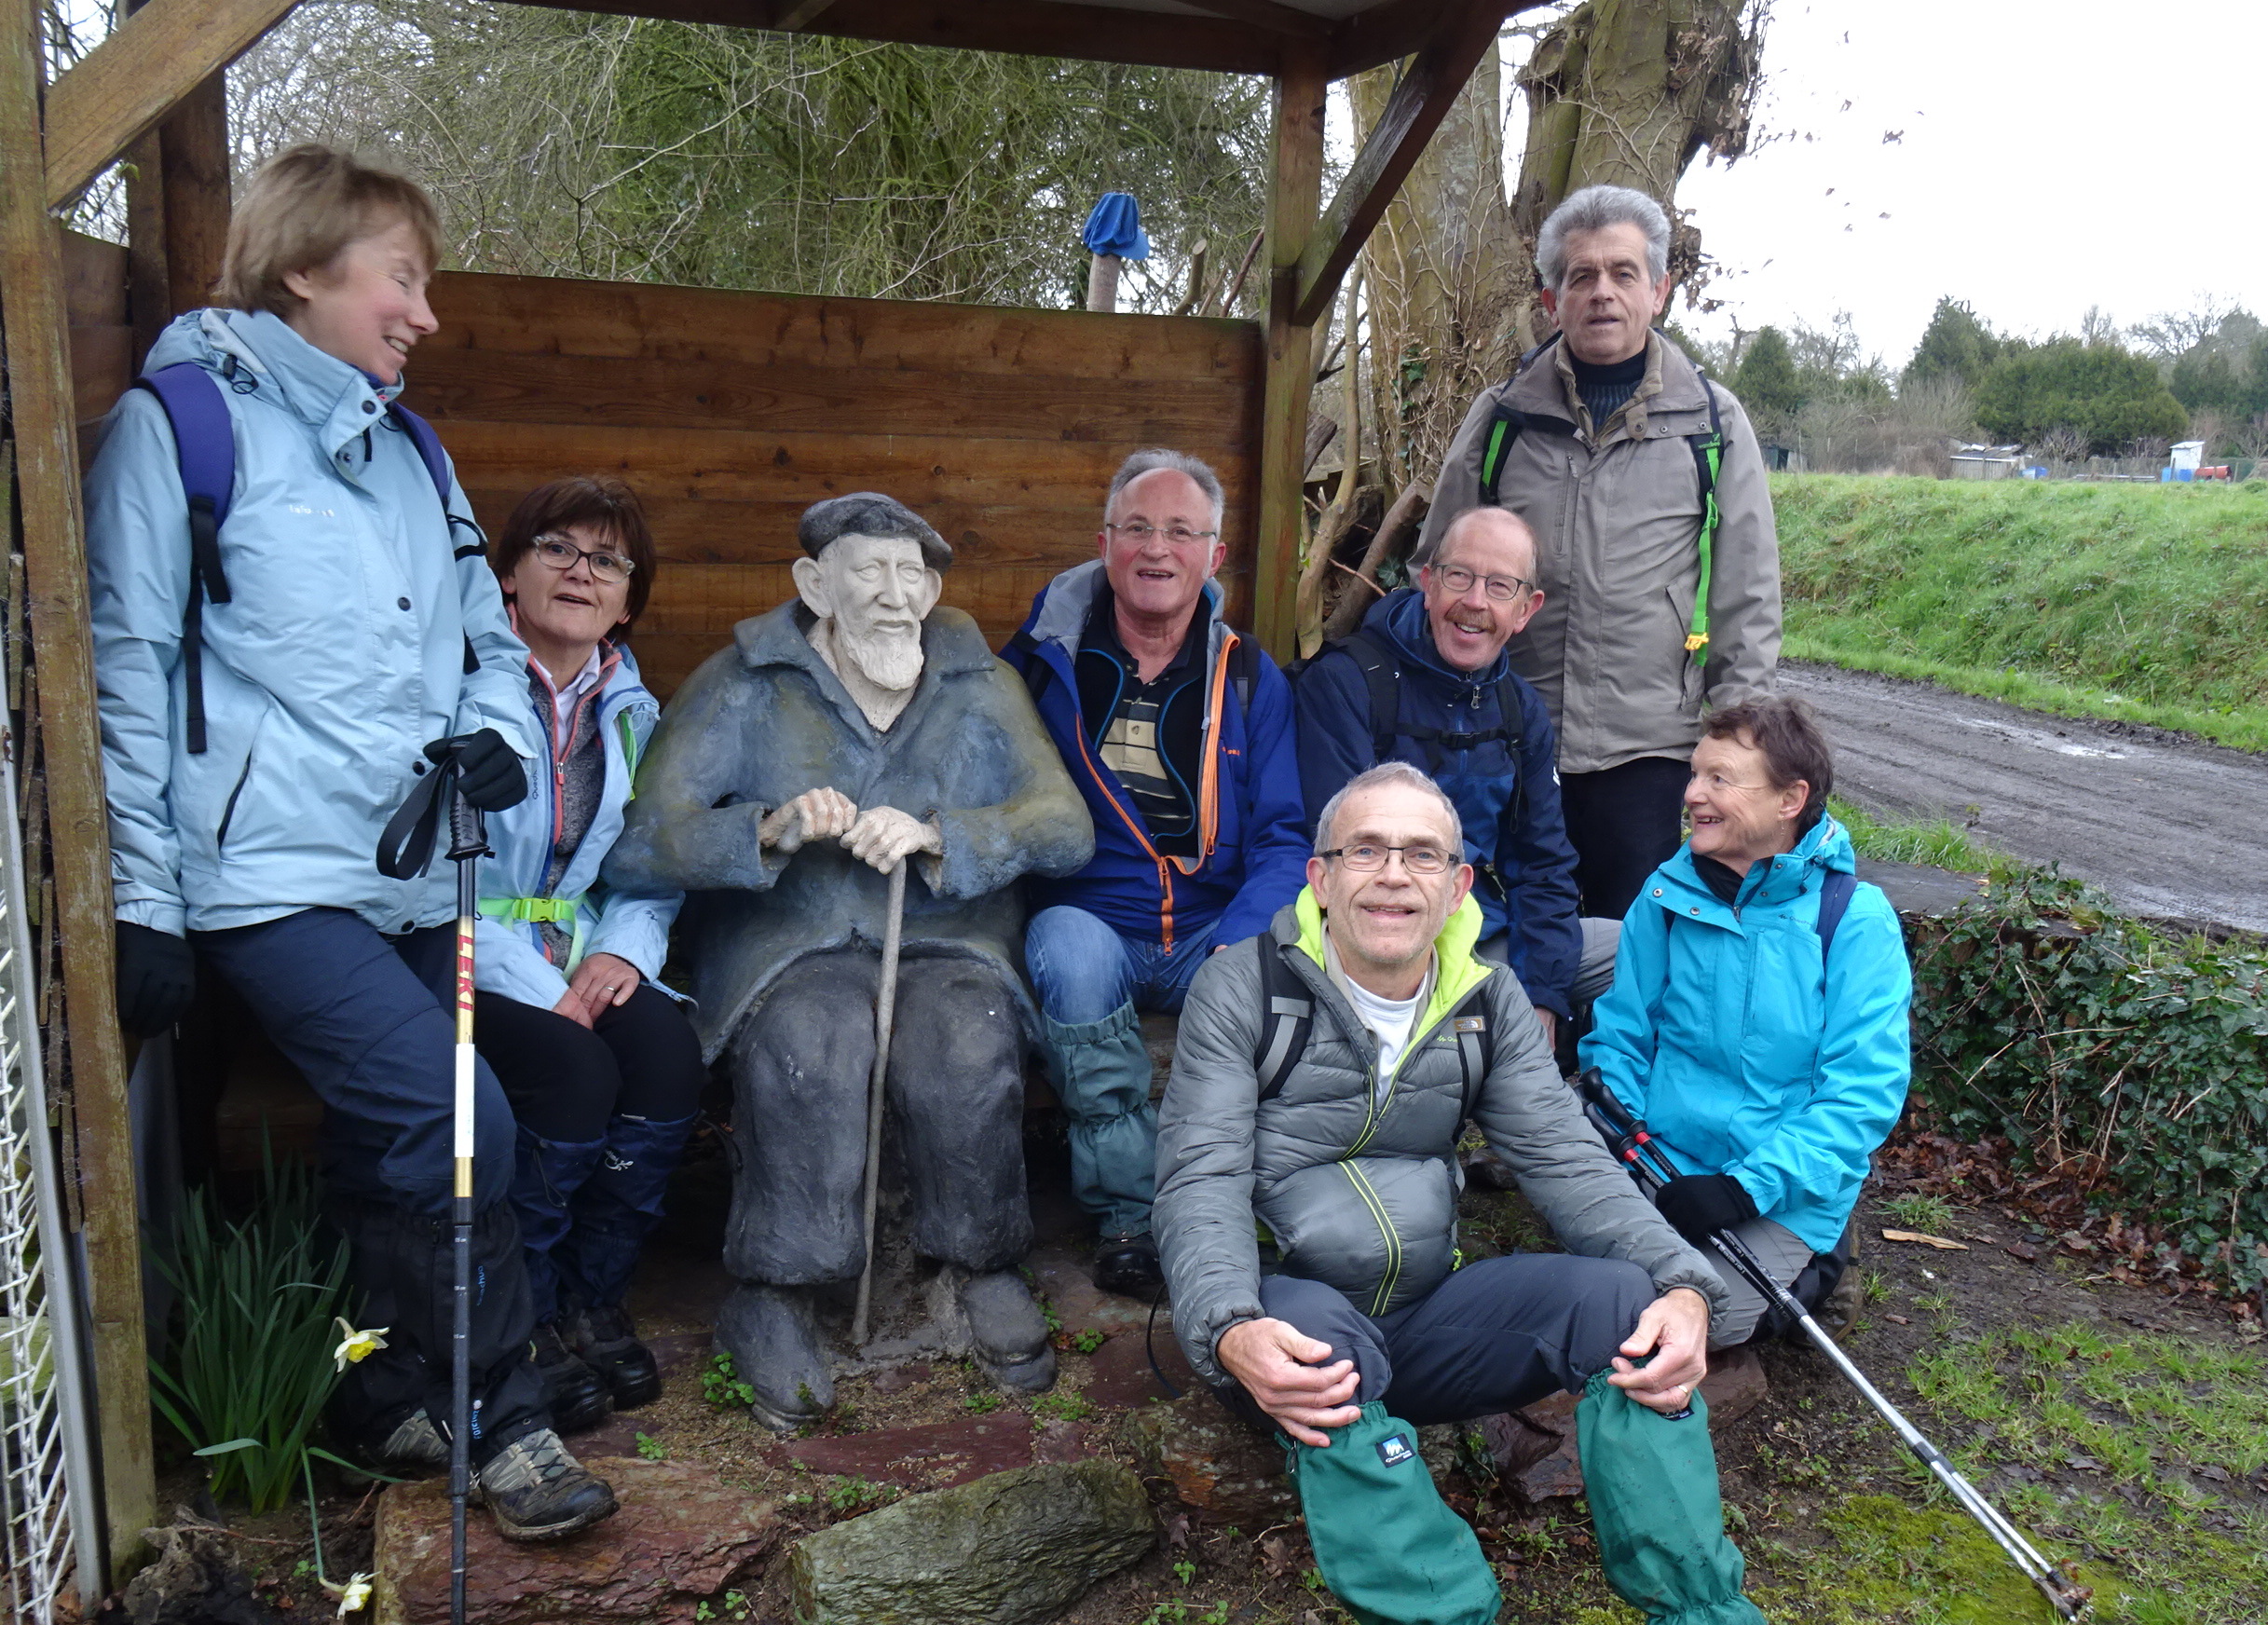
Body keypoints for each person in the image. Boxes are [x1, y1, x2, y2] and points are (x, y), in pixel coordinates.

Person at [86, 143, 615, 1540]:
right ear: (303, 268)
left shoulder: (410, 448)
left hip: (413, 871)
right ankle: (504, 1418)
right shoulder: (178, 430)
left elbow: (485, 638)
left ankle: (381, 1398)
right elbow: (125, 675)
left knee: (449, 1116)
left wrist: (493, 736)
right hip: (266, 883)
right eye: (402, 280)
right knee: (455, 1117)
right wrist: (142, 902)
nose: (425, 315)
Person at [1156, 762, 1860, 1625]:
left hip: (1425, 1320)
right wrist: (1228, 1326)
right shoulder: (1245, 989)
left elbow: (1569, 1161)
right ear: (1320, 876)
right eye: (1366, 850)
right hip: (1285, 1325)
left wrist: (1681, 1283)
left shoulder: (1483, 1000)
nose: (1393, 876)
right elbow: (1200, 1177)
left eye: (1422, 855)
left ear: (1458, 886)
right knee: (1321, 1349)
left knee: (1622, 1304)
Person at [604, 494, 1093, 1429]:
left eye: (911, 575)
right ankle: (779, 1292)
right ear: (815, 583)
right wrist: (767, 829)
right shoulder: (742, 682)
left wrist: (943, 833)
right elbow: (643, 841)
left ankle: (980, 1265)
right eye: (869, 572)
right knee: (814, 1041)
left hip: (948, 940)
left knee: (967, 1037)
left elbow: (1065, 827)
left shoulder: (980, 684)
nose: (894, 595)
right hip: (792, 947)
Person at [1422, 184, 1781, 922]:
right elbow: (1436, 570)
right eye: (1581, 276)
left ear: (1659, 291)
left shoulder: (1711, 424)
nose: (1602, 293)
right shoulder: (1503, 419)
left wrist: (1738, 749)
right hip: (1508, 734)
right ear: (1551, 301)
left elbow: (1748, 599)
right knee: (1498, 939)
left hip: (1648, 752)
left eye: (1623, 273)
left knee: (1632, 947)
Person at [1003, 448, 1311, 1298]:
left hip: (1213, 924)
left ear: (1214, 557)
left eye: (1181, 531)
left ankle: (1243, 1207)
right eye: (1137, 527)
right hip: (1091, 920)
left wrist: (1243, 939)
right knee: (1070, 953)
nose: (1156, 548)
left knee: (1283, 970)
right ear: (1104, 544)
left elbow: (1286, 836)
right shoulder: (1041, 665)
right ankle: (1129, 1217)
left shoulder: (1248, 676)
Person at [472, 477, 704, 1431]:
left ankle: (590, 1299)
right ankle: (522, 1318)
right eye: (557, 548)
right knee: (571, 1067)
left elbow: (651, 863)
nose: (581, 573)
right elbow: (430, 876)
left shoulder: (635, 714)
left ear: (628, 600)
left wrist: (622, 954)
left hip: (578, 940)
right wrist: (540, 983)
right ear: (508, 573)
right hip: (461, 943)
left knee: (665, 1055)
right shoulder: (454, 686)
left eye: (608, 561)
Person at [1581, 695, 1912, 1351]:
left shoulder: (1855, 920)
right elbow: (1621, 1037)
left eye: (1720, 779)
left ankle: (1823, 1263)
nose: (1692, 795)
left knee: (1700, 1319)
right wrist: (1629, 1145)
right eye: (1695, 774)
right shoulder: (1665, 897)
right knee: (1607, 1293)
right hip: (1660, 1156)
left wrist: (1742, 1189)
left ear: (1790, 799)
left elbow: (1862, 1096)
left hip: (1775, 1184)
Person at [1291, 505, 1614, 1046]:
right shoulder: (1349, 682)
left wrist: (1540, 998)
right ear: (1428, 583)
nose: (1476, 601)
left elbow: (1543, 865)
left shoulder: (1519, 708)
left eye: (1500, 586)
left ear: (1526, 610)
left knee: (1639, 948)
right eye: (1460, 576)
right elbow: (1338, 860)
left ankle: (1588, 1077)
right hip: (1375, 944)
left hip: (1481, 935)